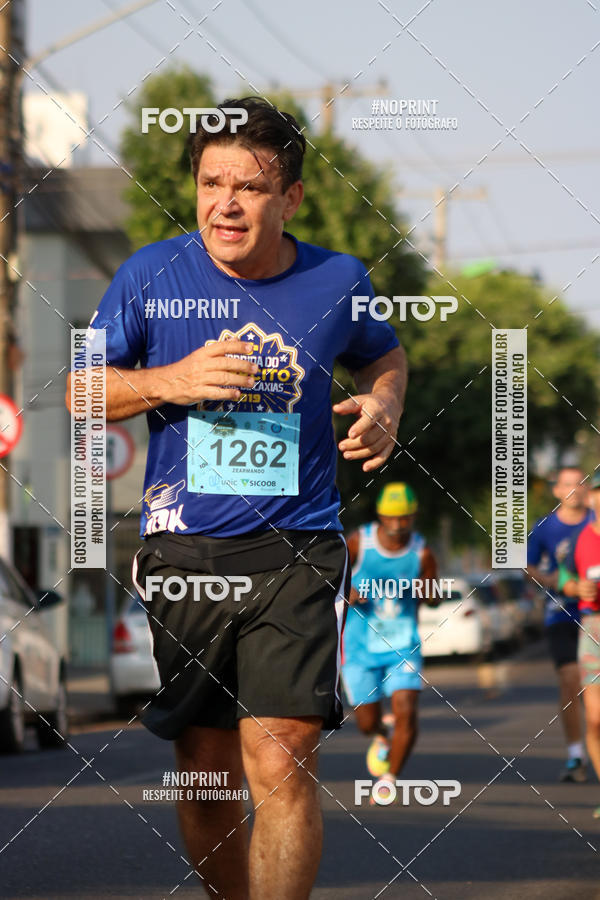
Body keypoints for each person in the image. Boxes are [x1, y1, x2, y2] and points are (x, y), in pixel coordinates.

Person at [66, 97, 406, 899]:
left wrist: (385, 405)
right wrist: (171, 382)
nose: (225, 203)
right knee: (206, 769)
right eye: (211, 183)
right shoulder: (149, 274)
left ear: (290, 197)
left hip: (299, 544)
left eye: (249, 187)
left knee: (282, 750)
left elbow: (382, 354)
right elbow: (80, 389)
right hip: (186, 550)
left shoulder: (337, 277)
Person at [342, 482, 438, 793]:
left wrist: (426, 592)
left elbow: (434, 595)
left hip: (402, 646)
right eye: (391, 518)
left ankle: (388, 781)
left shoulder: (422, 552)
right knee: (366, 723)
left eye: (405, 518)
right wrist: (347, 590)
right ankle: (381, 734)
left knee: (407, 708)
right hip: (359, 648)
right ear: (381, 516)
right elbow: (329, 572)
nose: (398, 525)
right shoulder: (360, 542)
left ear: (414, 516)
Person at [527, 466, 593, 782]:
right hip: (561, 612)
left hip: (594, 614)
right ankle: (575, 754)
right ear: (557, 490)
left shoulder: (595, 522)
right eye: (567, 484)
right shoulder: (544, 528)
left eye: (579, 483)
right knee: (570, 681)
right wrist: (550, 578)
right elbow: (525, 563)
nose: (573, 489)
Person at [560, 470, 600, 817]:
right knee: (596, 718)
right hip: (592, 628)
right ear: (591, 497)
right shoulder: (581, 539)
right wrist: (575, 589)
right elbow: (564, 577)